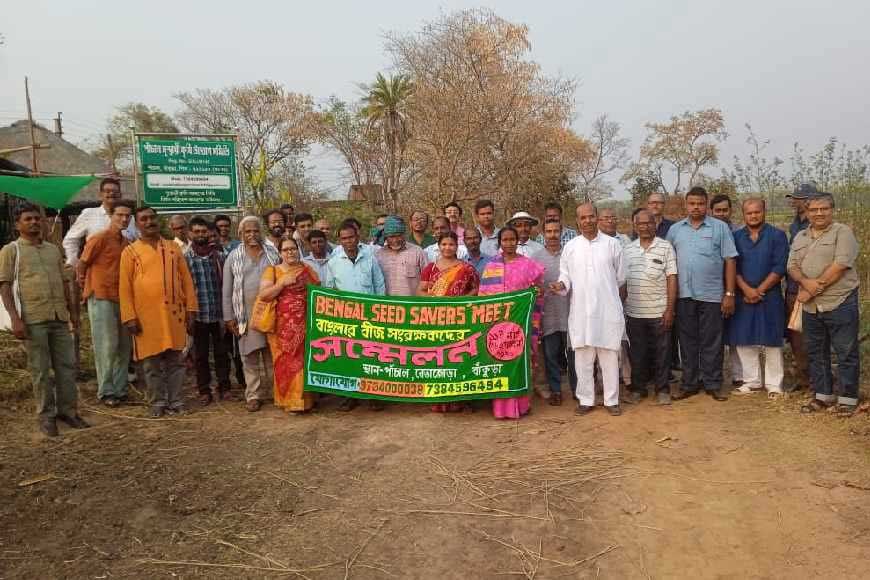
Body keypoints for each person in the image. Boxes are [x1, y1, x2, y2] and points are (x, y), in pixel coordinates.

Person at [0, 203, 89, 437]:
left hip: (58, 316)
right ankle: (46, 416)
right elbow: (5, 286)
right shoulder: (11, 251)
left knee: (67, 367)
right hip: (32, 318)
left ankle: (68, 412)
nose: (34, 222)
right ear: (18, 224)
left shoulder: (52, 250)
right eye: (28, 219)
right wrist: (15, 319)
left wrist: (72, 314)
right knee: (40, 370)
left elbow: (64, 283)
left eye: (37, 219)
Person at [120, 207, 198, 418]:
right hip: (146, 317)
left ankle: (176, 399)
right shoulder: (130, 252)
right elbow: (124, 288)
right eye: (143, 219)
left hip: (174, 314)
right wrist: (129, 316)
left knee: (176, 361)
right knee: (150, 363)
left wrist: (191, 310)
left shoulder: (172, 248)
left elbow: (187, 281)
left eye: (152, 218)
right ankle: (158, 402)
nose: (149, 222)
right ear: (137, 224)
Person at [788, 193, 861, 414]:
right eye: (814, 210)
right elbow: (791, 266)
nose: (819, 213)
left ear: (832, 210)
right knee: (816, 351)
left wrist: (813, 288)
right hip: (812, 307)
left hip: (840, 301)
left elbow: (841, 264)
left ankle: (848, 399)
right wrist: (803, 282)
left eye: (824, 209)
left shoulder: (843, 232)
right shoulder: (800, 236)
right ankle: (823, 396)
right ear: (807, 212)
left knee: (845, 351)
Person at [551, 203, 626, 416]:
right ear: (577, 221)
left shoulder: (613, 244)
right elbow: (565, 275)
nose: (587, 221)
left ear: (597, 218)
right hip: (581, 312)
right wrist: (561, 285)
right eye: (583, 218)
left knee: (609, 357)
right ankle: (586, 399)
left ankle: (611, 401)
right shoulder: (571, 247)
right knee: (583, 358)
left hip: (607, 310)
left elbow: (620, 277)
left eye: (591, 216)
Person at [666, 186, 737, 402]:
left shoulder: (719, 228)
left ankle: (713, 383)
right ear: (686, 205)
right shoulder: (676, 230)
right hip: (684, 295)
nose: (696, 207)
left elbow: (730, 260)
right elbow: (668, 263)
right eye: (692, 203)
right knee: (687, 342)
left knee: (712, 342)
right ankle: (689, 383)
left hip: (712, 295)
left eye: (700, 203)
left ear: (706, 205)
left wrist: (729, 294)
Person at [479, 227, 544, 420]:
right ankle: (502, 408)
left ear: (517, 241)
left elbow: (538, 291)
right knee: (500, 364)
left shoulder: (528, 265)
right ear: (499, 242)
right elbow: (484, 297)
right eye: (505, 240)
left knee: (519, 363)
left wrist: (534, 295)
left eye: (512, 239)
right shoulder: (491, 266)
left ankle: (522, 405)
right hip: (498, 327)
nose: (508, 243)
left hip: (520, 326)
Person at [725, 199, 788, 396]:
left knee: (772, 339)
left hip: (770, 295)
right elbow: (732, 266)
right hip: (743, 295)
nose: (753, 216)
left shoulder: (777, 235)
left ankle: (774, 384)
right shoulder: (735, 237)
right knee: (744, 338)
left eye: (757, 212)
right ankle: (751, 381)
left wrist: (759, 290)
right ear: (743, 214)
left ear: (764, 212)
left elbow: (780, 267)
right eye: (749, 213)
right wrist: (745, 289)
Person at [324, 222, 387, 412]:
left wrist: (379, 313)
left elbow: (380, 286)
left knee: (372, 357)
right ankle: (349, 396)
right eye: (344, 238)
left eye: (351, 237)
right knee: (348, 357)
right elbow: (329, 291)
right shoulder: (334, 263)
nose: (348, 241)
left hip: (371, 317)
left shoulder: (370, 259)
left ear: (357, 237)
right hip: (346, 319)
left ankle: (374, 396)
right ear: (339, 241)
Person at [75, 202, 133, 407]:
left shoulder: (126, 242)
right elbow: (82, 264)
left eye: (127, 216)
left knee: (124, 346)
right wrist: (84, 287)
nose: (124, 219)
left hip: (122, 298)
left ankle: (120, 388)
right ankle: (106, 390)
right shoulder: (98, 238)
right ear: (112, 216)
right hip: (100, 296)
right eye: (120, 215)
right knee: (106, 345)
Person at [222, 216, 281, 412]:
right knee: (249, 357)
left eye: (255, 231)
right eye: (247, 232)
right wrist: (229, 317)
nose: (252, 235)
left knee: (272, 355)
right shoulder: (233, 257)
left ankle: (277, 393)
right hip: (245, 315)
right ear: (241, 235)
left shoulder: (272, 253)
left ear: (261, 232)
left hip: (271, 314)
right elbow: (227, 289)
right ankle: (253, 395)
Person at [417, 231, 480, 412]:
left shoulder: (466, 268)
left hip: (460, 320)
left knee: (459, 357)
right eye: (444, 244)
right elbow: (420, 290)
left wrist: (459, 301)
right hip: (436, 320)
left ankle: (461, 399)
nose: (447, 248)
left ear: (456, 246)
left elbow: (476, 290)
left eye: (451, 244)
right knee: (439, 359)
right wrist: (435, 299)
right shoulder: (431, 268)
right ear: (438, 246)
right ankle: (439, 400)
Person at [258, 238, 320, 413]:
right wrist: (282, 283)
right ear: (280, 252)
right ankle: (289, 402)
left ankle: (306, 402)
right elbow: (264, 295)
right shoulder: (273, 271)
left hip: (306, 323)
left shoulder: (307, 270)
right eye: (286, 250)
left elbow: (318, 293)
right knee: (285, 362)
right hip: (282, 327)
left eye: (293, 248)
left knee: (304, 361)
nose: (290, 252)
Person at [623, 209, 678, 405]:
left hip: (659, 311)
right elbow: (623, 282)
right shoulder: (627, 250)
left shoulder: (665, 247)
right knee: (637, 353)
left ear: (655, 225)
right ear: (635, 226)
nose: (644, 227)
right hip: (634, 312)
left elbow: (672, 278)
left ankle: (662, 390)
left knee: (662, 353)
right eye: (640, 224)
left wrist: (670, 309)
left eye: (649, 223)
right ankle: (639, 389)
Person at [185, 217, 232, 406]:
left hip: (219, 314)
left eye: (203, 232)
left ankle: (225, 387)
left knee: (222, 354)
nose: (201, 235)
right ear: (190, 234)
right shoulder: (186, 259)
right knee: (201, 356)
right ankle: (204, 390)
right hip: (198, 316)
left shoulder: (219, 257)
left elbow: (226, 286)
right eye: (196, 232)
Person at [62, 177, 137, 266]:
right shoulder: (89, 213)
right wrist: (74, 263)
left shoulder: (129, 218)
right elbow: (70, 239)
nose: (112, 193)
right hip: (96, 270)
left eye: (115, 191)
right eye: (107, 191)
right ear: (100, 194)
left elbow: (137, 242)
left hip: (124, 269)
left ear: (120, 195)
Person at [539, 219, 574, 406]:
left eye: (556, 231)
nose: (552, 235)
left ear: (562, 232)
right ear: (543, 233)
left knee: (574, 354)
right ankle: (556, 390)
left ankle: (578, 389)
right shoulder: (536, 257)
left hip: (571, 313)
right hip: (548, 315)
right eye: (548, 231)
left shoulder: (571, 254)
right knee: (550, 355)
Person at [784, 183, 814, 391]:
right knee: (796, 335)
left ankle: (818, 381)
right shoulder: (795, 225)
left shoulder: (815, 224)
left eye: (798, 198)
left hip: (810, 288)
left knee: (814, 336)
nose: (794, 201)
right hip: (793, 288)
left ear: (809, 200)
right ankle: (803, 378)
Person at [377, 216, 428, 297]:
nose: (395, 240)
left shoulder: (418, 252)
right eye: (391, 236)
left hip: (412, 305)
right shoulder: (379, 255)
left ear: (404, 234)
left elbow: (427, 281)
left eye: (399, 236)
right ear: (386, 237)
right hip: (387, 306)